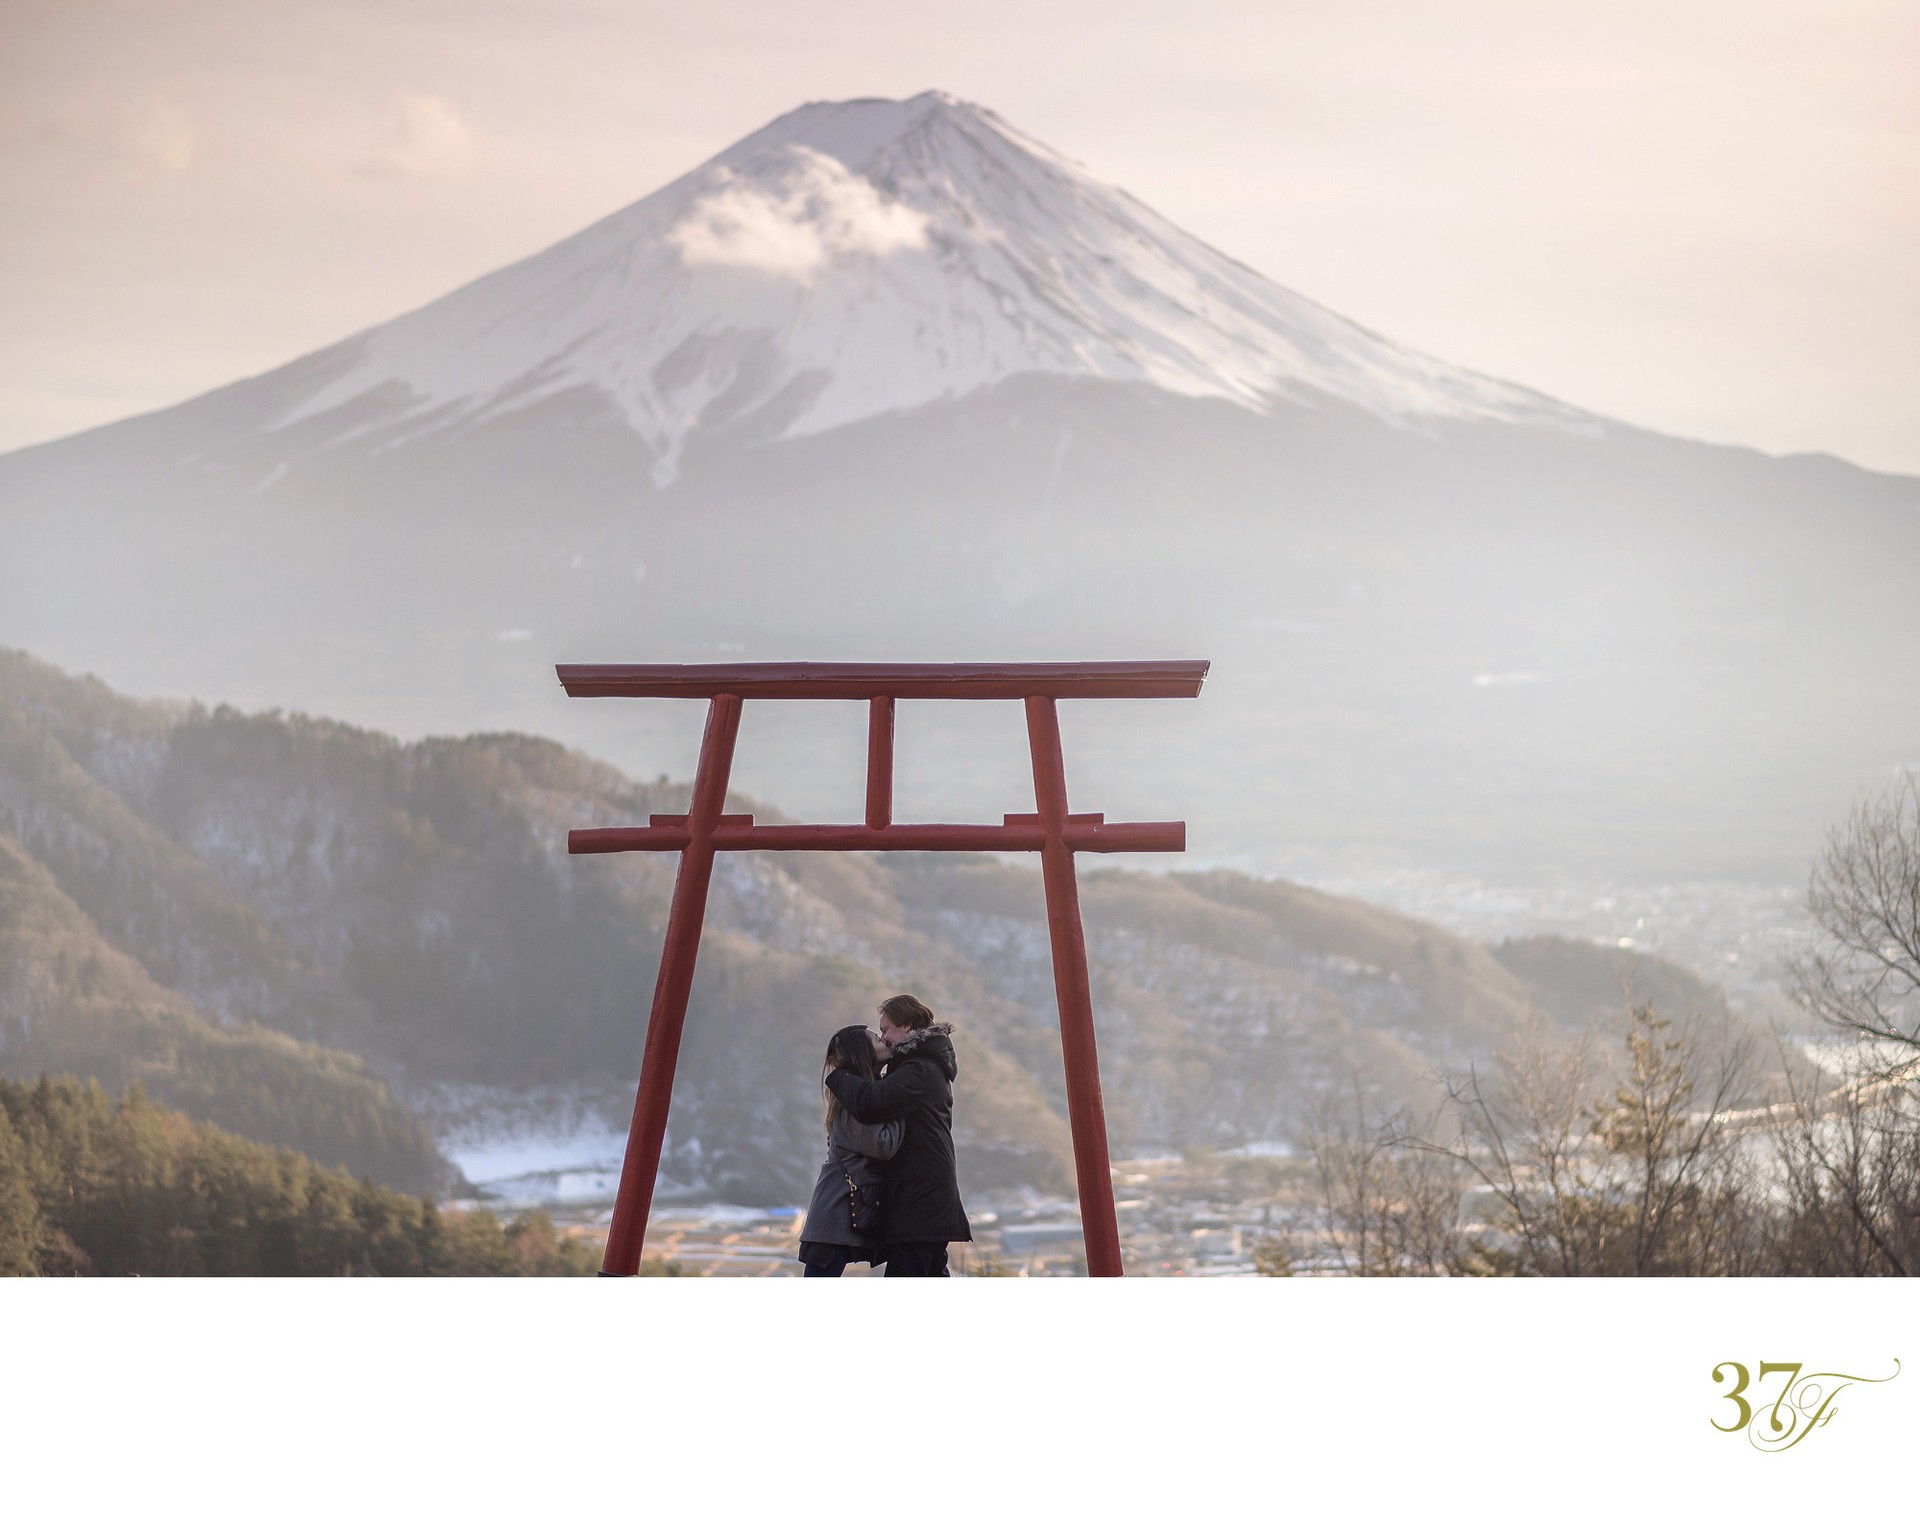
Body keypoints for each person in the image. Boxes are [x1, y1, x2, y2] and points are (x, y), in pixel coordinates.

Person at [823, 993, 971, 1276]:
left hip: (920, 1199)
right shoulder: (917, 1066)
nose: (884, 1037)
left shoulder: (920, 1070)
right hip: (921, 1196)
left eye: (885, 1029)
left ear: (907, 1026)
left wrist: (841, 1075)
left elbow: (871, 1103)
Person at [797, 1025, 903, 1277]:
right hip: (836, 1214)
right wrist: (903, 1105)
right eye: (877, 1039)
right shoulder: (851, 1100)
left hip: (845, 1211)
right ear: (862, 1052)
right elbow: (883, 1145)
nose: (884, 1041)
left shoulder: (863, 1094)